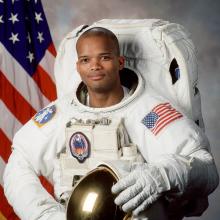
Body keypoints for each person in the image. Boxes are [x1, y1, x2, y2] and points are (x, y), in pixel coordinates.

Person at [3, 26, 219, 220]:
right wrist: (45, 215)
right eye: (86, 60)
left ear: (120, 62)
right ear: (77, 67)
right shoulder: (62, 113)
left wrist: (162, 175)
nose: (95, 66)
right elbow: (18, 164)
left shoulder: (149, 113)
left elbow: (207, 168)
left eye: (104, 57)